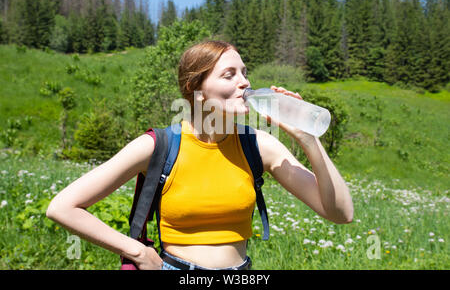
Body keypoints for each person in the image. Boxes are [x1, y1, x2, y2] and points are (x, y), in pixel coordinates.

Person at [46, 40, 353, 270]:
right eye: (229, 74)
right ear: (197, 88)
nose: (244, 82)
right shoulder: (159, 145)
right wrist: (138, 252)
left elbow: (341, 213)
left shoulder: (258, 145)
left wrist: (310, 141)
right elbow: (62, 207)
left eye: (244, 73)